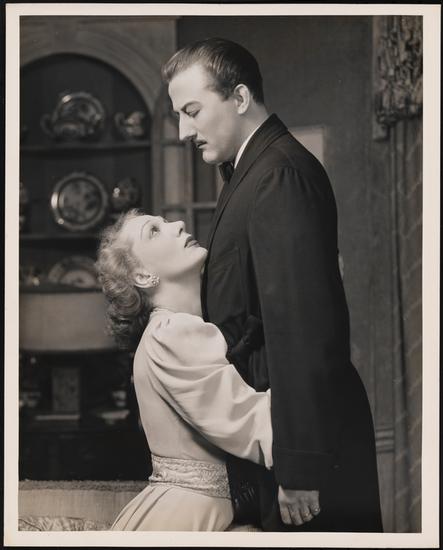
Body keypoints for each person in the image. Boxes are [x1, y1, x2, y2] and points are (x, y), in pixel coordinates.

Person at [163, 37, 383, 532]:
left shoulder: (279, 175)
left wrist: (300, 466)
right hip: (278, 434)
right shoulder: (251, 172)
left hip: (304, 450)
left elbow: (303, 329)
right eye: (179, 116)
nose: (183, 131)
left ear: (240, 98)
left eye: (192, 111)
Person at [95, 210, 273, 531]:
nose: (177, 225)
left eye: (166, 223)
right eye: (154, 230)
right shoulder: (171, 333)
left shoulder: (166, 331)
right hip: (189, 515)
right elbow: (248, 420)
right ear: (143, 276)